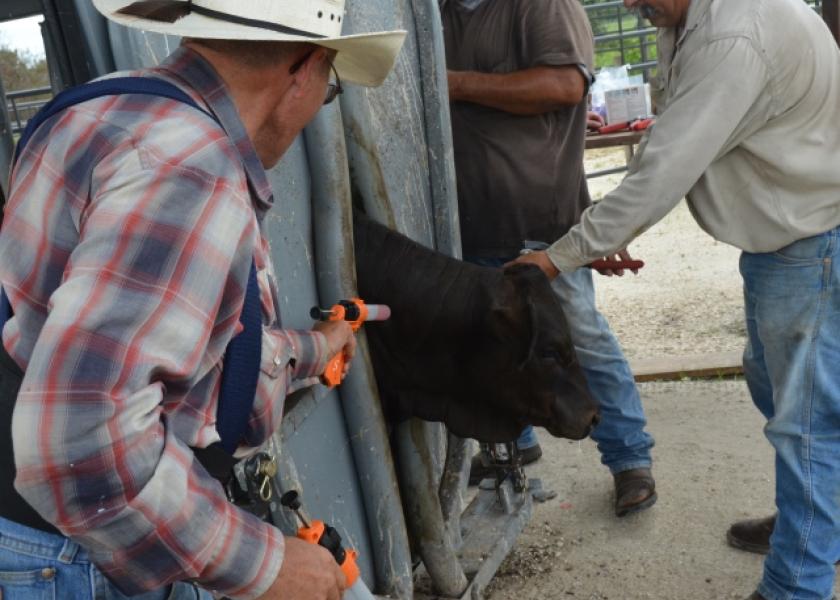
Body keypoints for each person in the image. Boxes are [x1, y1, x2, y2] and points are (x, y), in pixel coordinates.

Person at [0, 1, 405, 599]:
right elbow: (82, 434)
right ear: (305, 69)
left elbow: (198, 353)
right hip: (79, 559)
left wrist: (316, 350)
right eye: (330, 88)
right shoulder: (193, 166)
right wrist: (264, 567)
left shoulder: (108, 104)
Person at [514, 0, 840, 597]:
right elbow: (674, 138)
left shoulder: (732, 34)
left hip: (809, 242)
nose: (633, 3)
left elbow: (664, 170)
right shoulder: (689, 21)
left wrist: (556, 257)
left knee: (806, 425)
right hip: (789, 242)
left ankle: (799, 581)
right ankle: (815, 525)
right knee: (783, 394)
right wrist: (598, 238)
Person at [440, 0, 657, 517]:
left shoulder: (541, 5)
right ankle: (512, 445)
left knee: (580, 337)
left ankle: (629, 459)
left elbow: (565, 85)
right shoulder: (437, 12)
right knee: (491, 340)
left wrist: (455, 83)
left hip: (540, 221)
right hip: (465, 220)